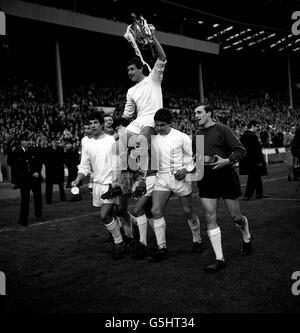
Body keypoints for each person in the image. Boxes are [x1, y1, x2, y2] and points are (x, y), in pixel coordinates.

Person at [194, 104, 251, 273]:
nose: (196, 115)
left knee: (236, 217)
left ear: (209, 113)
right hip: (206, 180)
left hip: (226, 177)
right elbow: (197, 159)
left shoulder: (222, 130)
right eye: (195, 113)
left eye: (199, 112)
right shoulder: (197, 136)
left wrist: (226, 161)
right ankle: (220, 259)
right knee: (210, 216)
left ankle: (246, 235)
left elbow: (241, 151)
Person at [147, 108, 203, 262]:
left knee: (187, 211)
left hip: (180, 177)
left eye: (162, 125)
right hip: (162, 177)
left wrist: (186, 170)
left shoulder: (182, 137)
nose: (158, 128)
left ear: (170, 123)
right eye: (156, 125)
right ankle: (162, 248)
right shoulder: (153, 138)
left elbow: (192, 158)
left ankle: (197, 240)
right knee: (155, 210)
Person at [71, 111, 126, 260]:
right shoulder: (87, 143)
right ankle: (125, 235)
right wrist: (77, 179)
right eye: (90, 123)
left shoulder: (111, 141)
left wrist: (118, 182)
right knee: (114, 213)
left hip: (111, 184)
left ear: (101, 124)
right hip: (97, 184)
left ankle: (119, 242)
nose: (93, 125)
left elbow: (121, 163)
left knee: (104, 215)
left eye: (95, 122)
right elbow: (84, 166)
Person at [7, 133, 43, 226]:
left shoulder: (33, 150)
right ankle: (23, 219)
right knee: (24, 200)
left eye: (29, 140)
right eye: (27, 140)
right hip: (24, 180)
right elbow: (13, 167)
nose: (29, 142)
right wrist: (13, 182)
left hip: (35, 179)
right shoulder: (16, 152)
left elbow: (39, 163)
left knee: (38, 198)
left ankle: (39, 215)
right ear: (22, 141)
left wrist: (37, 172)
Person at [240, 120, 268, 200]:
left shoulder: (244, 135)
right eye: (257, 126)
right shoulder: (253, 136)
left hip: (247, 160)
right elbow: (256, 150)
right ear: (253, 126)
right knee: (252, 178)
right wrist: (259, 161)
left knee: (257, 177)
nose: (257, 128)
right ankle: (248, 195)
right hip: (254, 160)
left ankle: (259, 194)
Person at [43, 139, 66, 204]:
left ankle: (63, 198)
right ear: (51, 142)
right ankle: (49, 200)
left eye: (56, 142)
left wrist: (62, 164)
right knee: (49, 186)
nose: (55, 143)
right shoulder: (47, 149)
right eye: (53, 142)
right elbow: (44, 160)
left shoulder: (60, 149)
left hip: (59, 170)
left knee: (61, 185)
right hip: (50, 170)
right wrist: (48, 166)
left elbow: (63, 158)